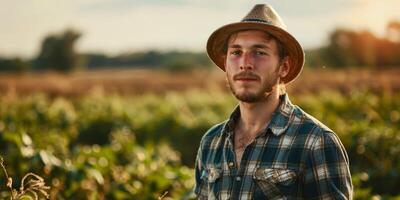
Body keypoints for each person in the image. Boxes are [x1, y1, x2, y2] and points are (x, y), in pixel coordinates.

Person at [194, 4, 353, 200]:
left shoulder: (315, 142)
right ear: (226, 63)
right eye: (236, 52)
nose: (245, 63)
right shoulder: (211, 142)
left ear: (284, 67)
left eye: (259, 52)